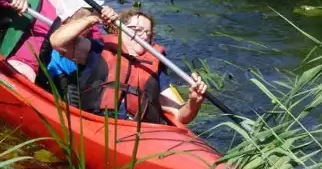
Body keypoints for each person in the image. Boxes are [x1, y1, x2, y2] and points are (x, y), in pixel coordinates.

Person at [51, 7, 208, 125]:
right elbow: (57, 41)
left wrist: (194, 101)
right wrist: (93, 18)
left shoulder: (154, 67)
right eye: (137, 30)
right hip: (98, 125)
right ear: (119, 31)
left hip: (137, 132)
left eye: (148, 33)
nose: (143, 36)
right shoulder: (98, 49)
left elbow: (181, 116)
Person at [36, 0, 118, 105]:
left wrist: (111, 23)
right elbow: (60, 41)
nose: (92, 25)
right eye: (89, 13)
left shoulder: (90, 40)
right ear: (69, 21)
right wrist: (93, 18)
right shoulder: (65, 45)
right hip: (67, 101)